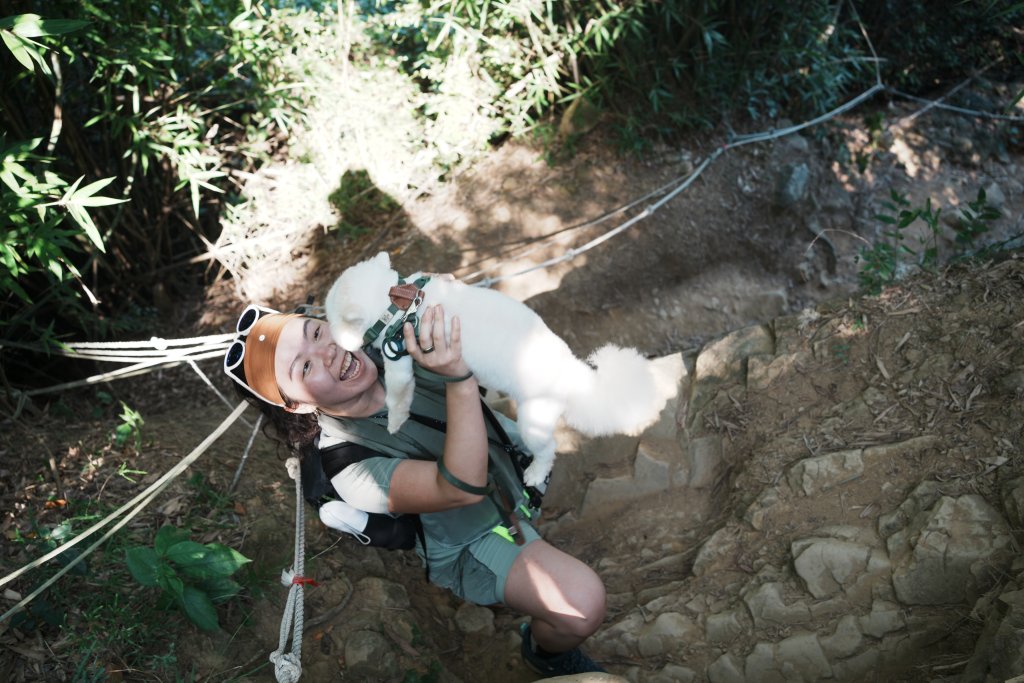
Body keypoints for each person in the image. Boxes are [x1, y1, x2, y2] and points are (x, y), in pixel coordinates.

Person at [223, 301, 608, 677]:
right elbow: (459, 487)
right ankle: (545, 654)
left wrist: (443, 301)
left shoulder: (388, 347)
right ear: (296, 406)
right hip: (473, 538)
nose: (328, 352)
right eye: (304, 366)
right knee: (581, 607)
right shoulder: (350, 468)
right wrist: (457, 377)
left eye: (317, 332)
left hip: (510, 469)